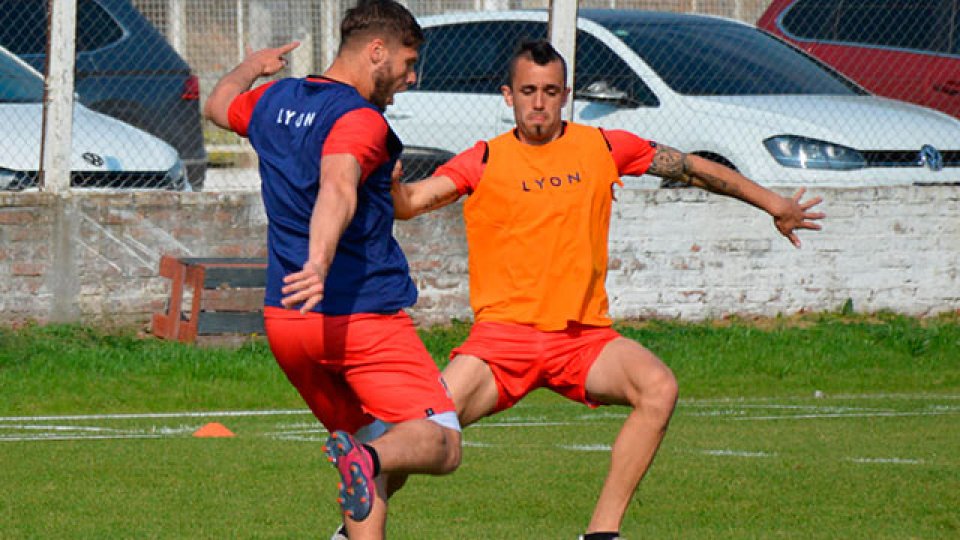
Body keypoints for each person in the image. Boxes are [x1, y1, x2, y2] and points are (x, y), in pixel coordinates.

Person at [390, 40, 825, 539]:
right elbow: (411, 203)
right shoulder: (484, 158)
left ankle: (601, 533)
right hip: (502, 343)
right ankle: (351, 529)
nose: (539, 103)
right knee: (420, 434)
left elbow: (690, 167)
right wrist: (389, 184)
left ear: (566, 95)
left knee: (658, 388)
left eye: (550, 91)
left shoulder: (602, 146)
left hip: (584, 340)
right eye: (528, 91)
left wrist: (773, 202)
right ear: (507, 96)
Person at [203, 2, 461, 539]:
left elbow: (218, 104)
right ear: (376, 52)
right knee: (439, 442)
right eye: (408, 62)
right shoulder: (359, 120)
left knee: (372, 451)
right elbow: (338, 186)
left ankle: (358, 489)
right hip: (357, 318)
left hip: (288, 320)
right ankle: (364, 460)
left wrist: (252, 67)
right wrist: (319, 262)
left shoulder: (274, 99)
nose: (411, 77)